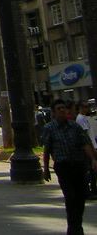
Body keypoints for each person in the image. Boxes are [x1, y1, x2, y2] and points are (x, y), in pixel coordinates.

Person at [44, 98, 97, 235]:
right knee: (70, 197)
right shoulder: (49, 128)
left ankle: (76, 225)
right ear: (54, 113)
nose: (62, 110)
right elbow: (47, 149)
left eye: (63, 108)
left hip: (79, 166)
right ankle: (74, 229)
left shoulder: (75, 126)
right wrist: (45, 169)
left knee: (80, 198)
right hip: (63, 167)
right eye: (59, 109)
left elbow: (85, 143)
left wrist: (93, 159)